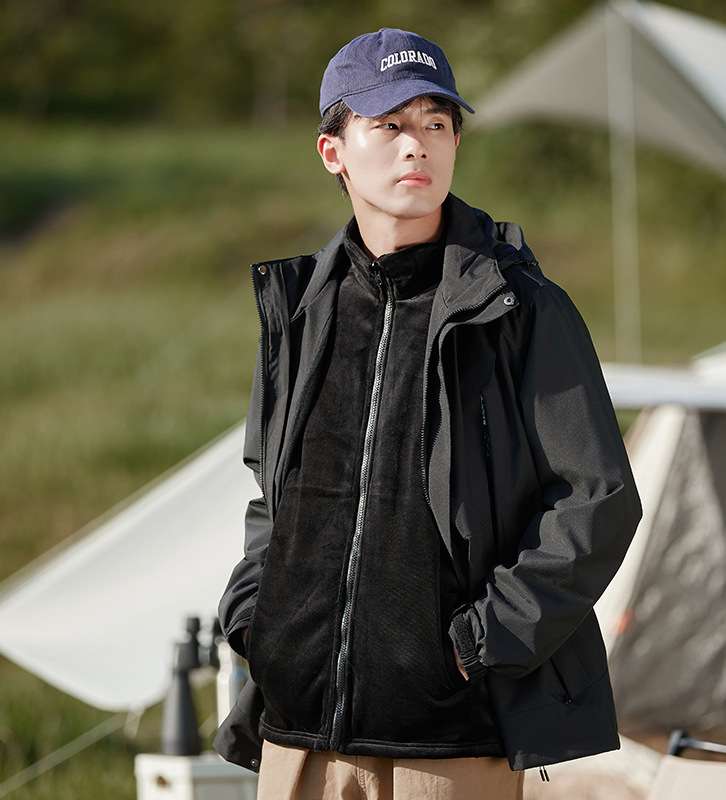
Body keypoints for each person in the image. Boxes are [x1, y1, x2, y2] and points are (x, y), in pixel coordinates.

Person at [214, 27, 641, 800]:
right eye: (389, 125)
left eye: (436, 123)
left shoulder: (520, 309)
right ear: (333, 152)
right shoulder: (299, 309)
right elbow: (273, 496)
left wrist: (481, 642)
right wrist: (254, 619)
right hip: (296, 734)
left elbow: (597, 500)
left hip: (448, 744)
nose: (417, 144)